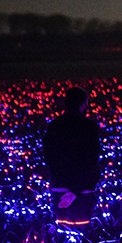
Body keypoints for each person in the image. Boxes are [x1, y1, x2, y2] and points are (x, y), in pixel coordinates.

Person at [42, 86, 102, 226]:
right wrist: (75, 190)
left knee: (62, 234)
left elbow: (48, 157)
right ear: (83, 104)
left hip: (59, 185)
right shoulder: (88, 127)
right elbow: (91, 159)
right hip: (83, 189)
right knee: (80, 234)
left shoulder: (54, 126)